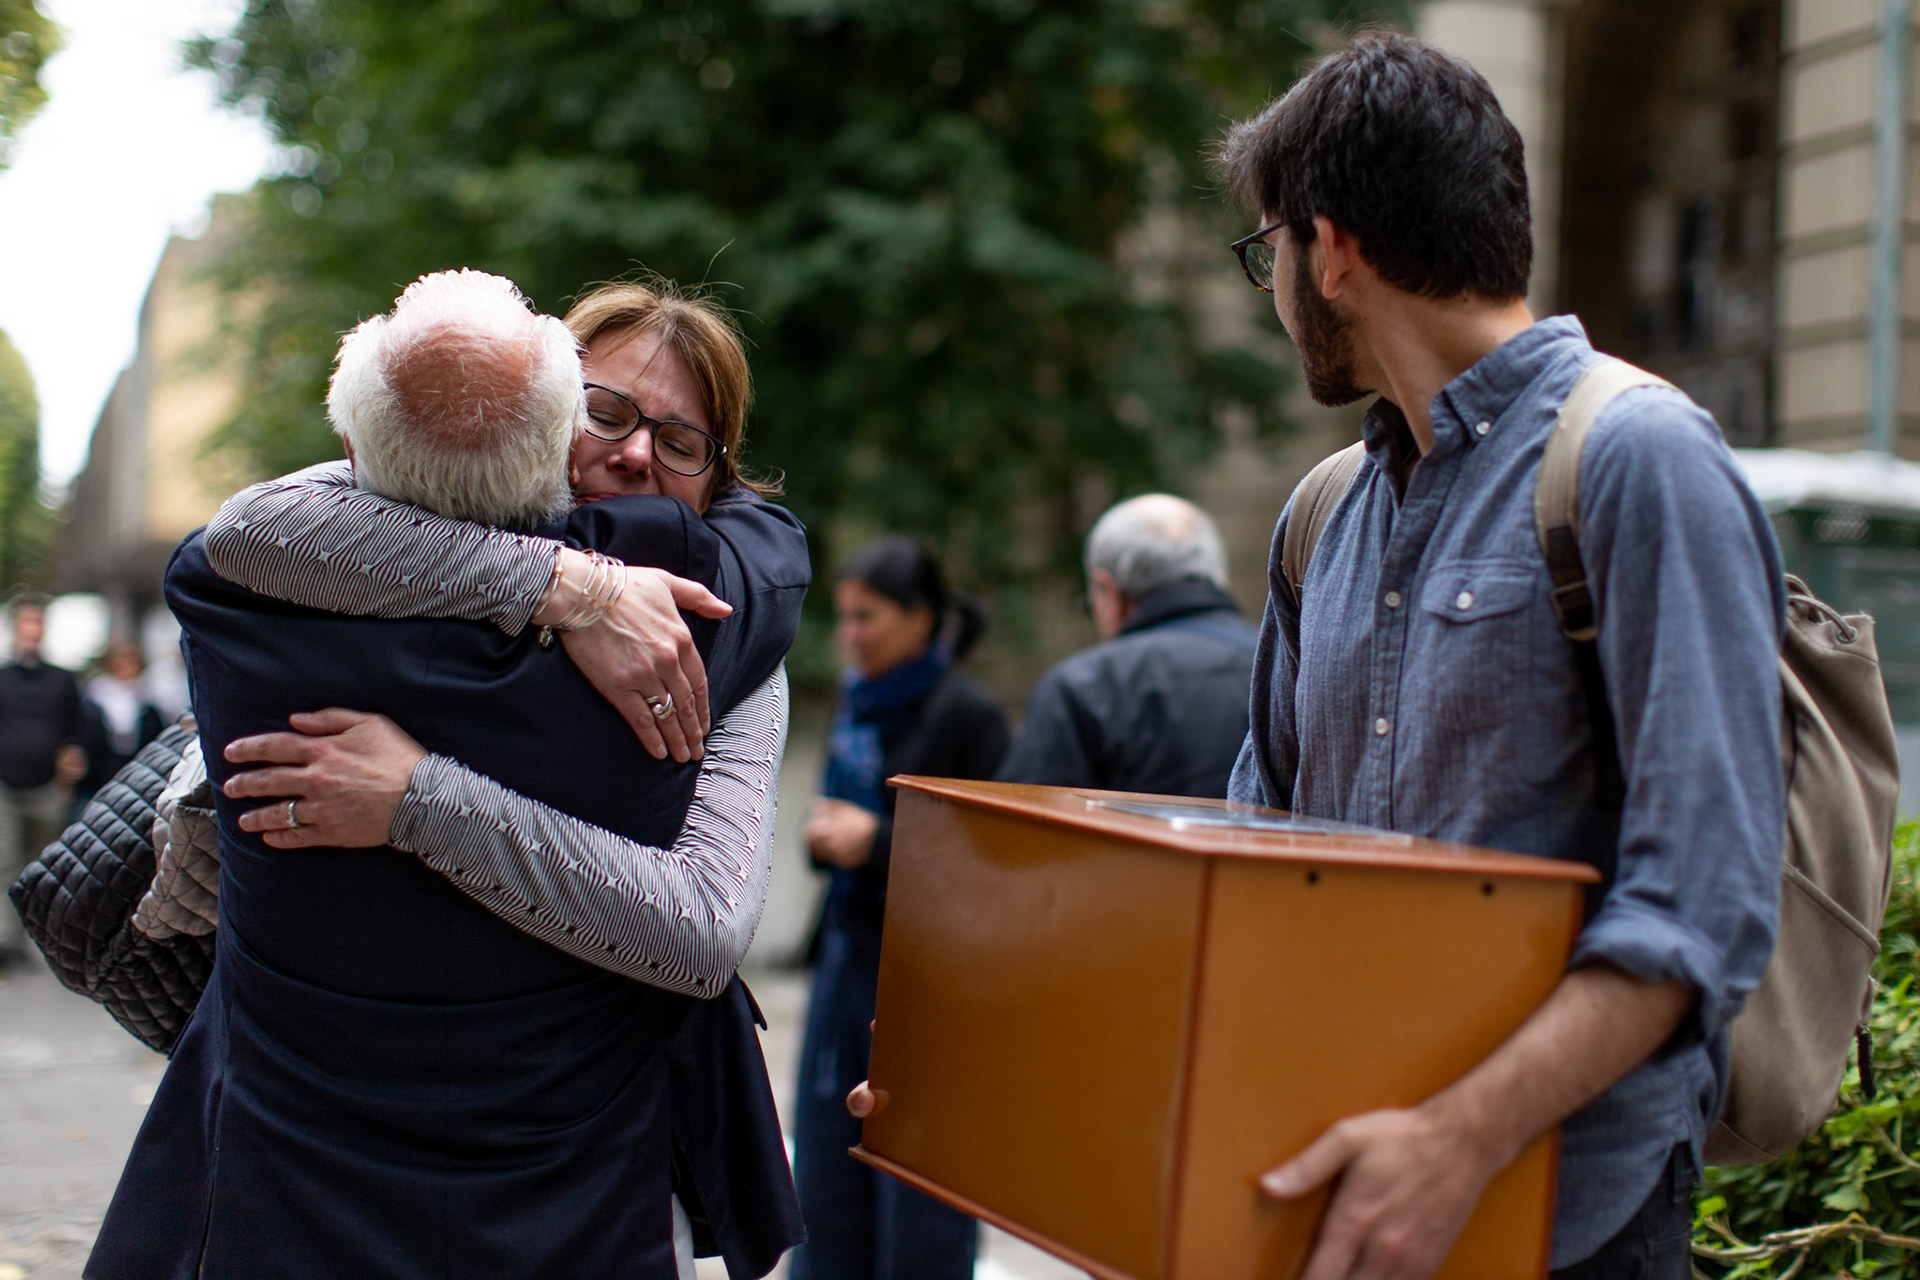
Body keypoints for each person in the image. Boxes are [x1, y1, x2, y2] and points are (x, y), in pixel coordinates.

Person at [87, 270, 808, 1280]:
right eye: (605, 409)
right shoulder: (327, 551)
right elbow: (245, 530)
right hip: (312, 1163)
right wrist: (572, 584)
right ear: (541, 403)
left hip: (559, 1175)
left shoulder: (714, 648)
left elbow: (703, 928)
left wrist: (418, 796)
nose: (635, 450)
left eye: (682, 441)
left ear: (715, 479)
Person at [1213, 32, 1785, 1280]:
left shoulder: (1642, 459)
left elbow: (1703, 903)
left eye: (1269, 251)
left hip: (1574, 1224)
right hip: (1347, 1197)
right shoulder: (1325, 514)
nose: (1276, 289)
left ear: (1335, 249)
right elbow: (1250, 866)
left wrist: (1456, 1137)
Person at [791, 536, 1008, 1280]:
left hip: (928, 984)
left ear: (921, 620)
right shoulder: (857, 703)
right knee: (824, 1178)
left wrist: (876, 842)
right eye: (844, 618)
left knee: (919, 1197)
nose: (849, 636)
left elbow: (990, 860)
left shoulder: (969, 716)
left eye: (867, 617)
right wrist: (827, 839)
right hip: (848, 960)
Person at [996, 493, 1256, 795]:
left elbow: (1020, 826)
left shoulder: (1083, 687)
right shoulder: (1290, 662)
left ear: (1108, 592)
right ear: (1218, 577)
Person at [0, 595, 85, 961]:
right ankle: (7, 940)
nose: (31, 630)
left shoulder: (62, 680)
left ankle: (36, 940)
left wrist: (72, 759)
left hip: (49, 787)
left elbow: (79, 730)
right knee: (5, 860)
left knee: (42, 865)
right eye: (26, 623)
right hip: (4, 785)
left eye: (37, 623)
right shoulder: (2, 678)